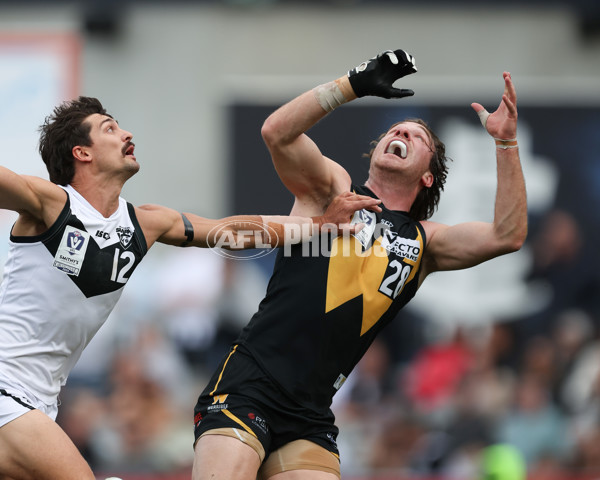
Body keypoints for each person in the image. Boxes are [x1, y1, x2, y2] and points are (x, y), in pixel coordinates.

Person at [0, 96, 381, 480]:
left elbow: (229, 232)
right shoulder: (50, 204)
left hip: (40, 401)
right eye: (109, 129)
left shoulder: (146, 223)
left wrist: (319, 226)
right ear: (81, 152)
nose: (126, 133)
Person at [192, 48, 527, 480]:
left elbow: (508, 234)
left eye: (417, 136)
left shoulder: (427, 242)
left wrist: (505, 141)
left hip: (310, 416)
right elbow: (276, 132)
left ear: (428, 175)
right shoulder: (332, 190)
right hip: (247, 386)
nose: (401, 133)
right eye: (395, 128)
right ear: (376, 151)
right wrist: (351, 86)